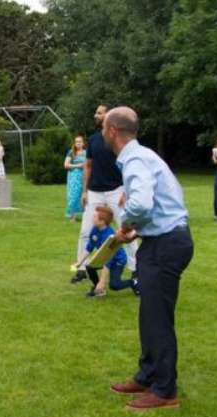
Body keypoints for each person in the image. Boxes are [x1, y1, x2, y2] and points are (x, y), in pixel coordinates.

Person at [103, 107, 194, 410]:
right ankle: (147, 375)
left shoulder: (135, 160)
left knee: (158, 318)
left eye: (103, 128)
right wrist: (138, 228)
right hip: (160, 241)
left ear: (112, 130)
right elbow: (166, 196)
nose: (102, 133)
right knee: (149, 314)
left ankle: (165, 391)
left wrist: (127, 225)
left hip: (166, 244)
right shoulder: (143, 156)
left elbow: (141, 205)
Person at [71, 105, 137, 284]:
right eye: (96, 112)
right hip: (95, 192)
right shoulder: (93, 140)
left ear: (109, 116)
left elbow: (129, 166)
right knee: (85, 231)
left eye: (100, 112)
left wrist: (126, 191)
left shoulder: (119, 139)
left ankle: (135, 269)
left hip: (116, 191)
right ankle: (81, 269)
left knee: (125, 230)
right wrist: (84, 191)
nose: (96, 115)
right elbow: (88, 165)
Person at [79, 205, 137, 297]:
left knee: (114, 285)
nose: (92, 217)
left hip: (117, 260)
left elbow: (108, 261)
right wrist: (79, 262)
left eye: (95, 216)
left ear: (102, 221)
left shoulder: (109, 236)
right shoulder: (95, 229)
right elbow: (90, 247)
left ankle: (134, 282)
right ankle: (99, 290)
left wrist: (102, 282)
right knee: (90, 266)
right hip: (105, 257)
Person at [64, 135, 87, 221]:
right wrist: (78, 165)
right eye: (76, 142)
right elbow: (66, 165)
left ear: (83, 143)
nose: (78, 143)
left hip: (84, 176)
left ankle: (85, 216)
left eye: (80, 142)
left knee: (84, 195)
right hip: (74, 176)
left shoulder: (87, 152)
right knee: (73, 195)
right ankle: (72, 216)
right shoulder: (71, 152)